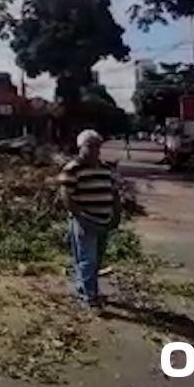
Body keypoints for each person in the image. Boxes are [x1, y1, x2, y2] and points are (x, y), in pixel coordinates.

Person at [59, 129, 121, 310]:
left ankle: (83, 287)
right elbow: (66, 196)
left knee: (97, 259)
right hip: (85, 221)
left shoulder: (105, 169)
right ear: (81, 147)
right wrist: (80, 216)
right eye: (90, 146)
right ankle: (90, 296)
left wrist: (116, 214)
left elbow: (114, 193)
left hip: (104, 220)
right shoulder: (72, 169)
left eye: (97, 146)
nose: (95, 150)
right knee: (87, 259)